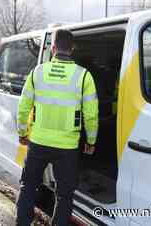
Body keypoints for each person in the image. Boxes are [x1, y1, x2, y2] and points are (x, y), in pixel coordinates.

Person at [16, 29, 99, 226]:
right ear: (72, 48)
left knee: (27, 187)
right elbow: (91, 114)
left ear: (52, 49)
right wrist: (91, 141)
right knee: (64, 195)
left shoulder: (38, 72)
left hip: (38, 142)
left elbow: (23, 107)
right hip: (67, 148)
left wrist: (22, 133)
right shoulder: (84, 76)